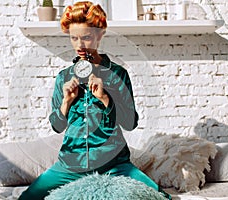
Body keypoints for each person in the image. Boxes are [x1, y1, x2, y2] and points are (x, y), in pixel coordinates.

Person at [19, 1, 171, 199]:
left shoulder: (118, 74)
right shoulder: (64, 77)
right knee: (27, 198)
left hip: (114, 163)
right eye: (74, 38)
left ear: (100, 35)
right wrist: (66, 101)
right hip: (71, 164)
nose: (80, 45)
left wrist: (106, 98)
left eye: (87, 38)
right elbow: (57, 126)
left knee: (159, 196)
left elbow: (130, 123)